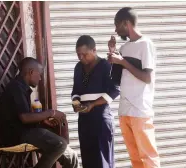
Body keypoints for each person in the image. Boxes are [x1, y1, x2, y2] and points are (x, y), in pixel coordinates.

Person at [0, 57, 79, 168]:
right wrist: (51, 113)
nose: (40, 78)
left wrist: (42, 120)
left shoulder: (22, 88)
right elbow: (24, 118)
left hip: (28, 132)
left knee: (72, 156)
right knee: (59, 145)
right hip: (16, 135)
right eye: (39, 74)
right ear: (31, 72)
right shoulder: (16, 88)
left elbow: (25, 116)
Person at [107, 7, 161, 168]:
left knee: (148, 157)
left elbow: (146, 77)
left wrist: (122, 61)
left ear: (126, 23)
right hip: (125, 111)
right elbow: (116, 79)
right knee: (135, 158)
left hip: (140, 110)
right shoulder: (124, 48)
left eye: (117, 25)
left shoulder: (146, 44)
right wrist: (113, 53)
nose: (116, 30)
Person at [71, 35, 120, 168]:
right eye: (78, 54)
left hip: (101, 119)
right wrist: (76, 104)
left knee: (102, 161)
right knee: (88, 159)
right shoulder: (78, 68)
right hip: (84, 120)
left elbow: (115, 90)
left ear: (94, 50)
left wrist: (92, 104)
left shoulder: (105, 66)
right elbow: (75, 91)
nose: (81, 57)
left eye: (84, 54)